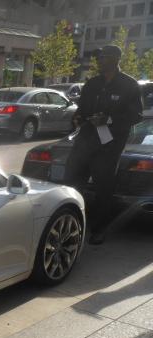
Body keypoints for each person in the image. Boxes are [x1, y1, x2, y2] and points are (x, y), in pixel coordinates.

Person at [64, 45, 142, 245]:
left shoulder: (129, 85)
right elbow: (82, 109)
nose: (99, 60)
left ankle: (99, 229)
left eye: (104, 57)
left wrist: (108, 120)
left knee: (103, 189)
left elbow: (136, 115)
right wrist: (77, 117)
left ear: (116, 59)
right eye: (99, 57)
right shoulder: (92, 84)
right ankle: (71, 227)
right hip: (85, 141)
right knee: (71, 183)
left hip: (110, 145)